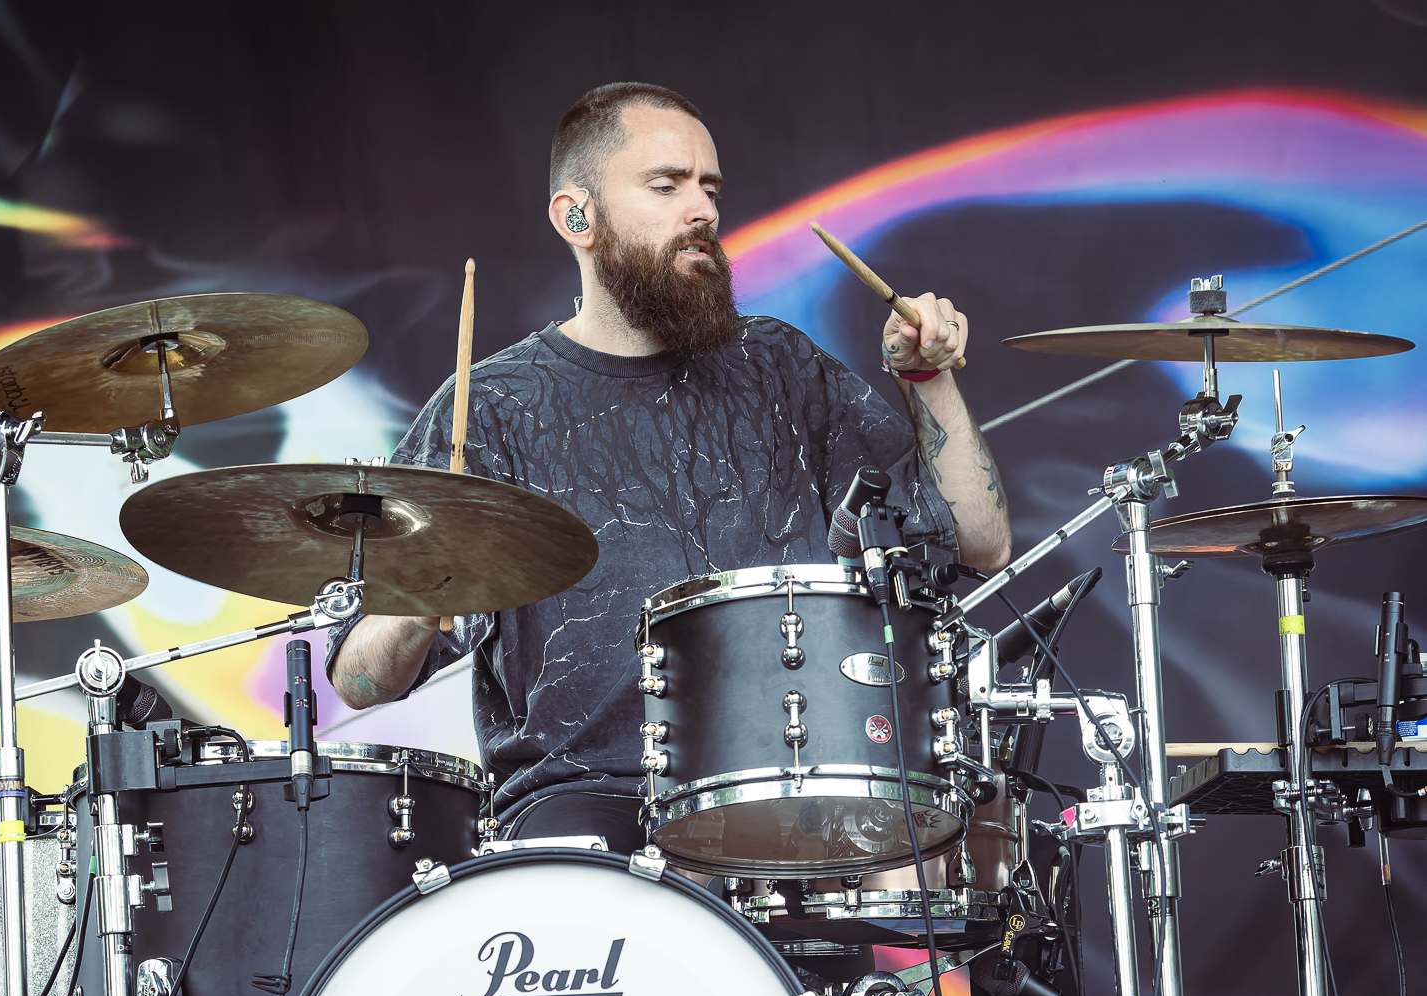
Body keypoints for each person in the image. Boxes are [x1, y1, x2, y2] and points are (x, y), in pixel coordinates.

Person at [327, 81, 1010, 851]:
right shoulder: (487, 410)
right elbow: (357, 678)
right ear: (577, 217)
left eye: (710, 187)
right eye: (667, 185)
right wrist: (423, 595)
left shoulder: (780, 366)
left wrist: (927, 377)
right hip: (582, 806)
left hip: (789, 791)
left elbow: (979, 541)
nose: (703, 211)